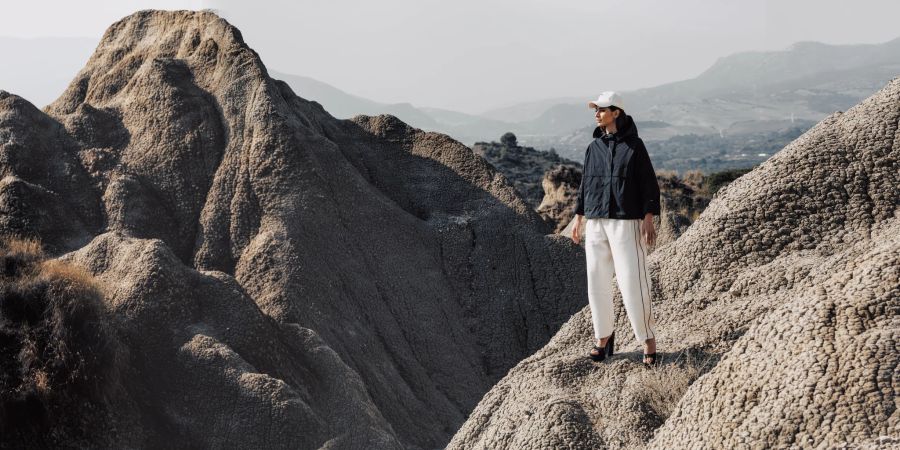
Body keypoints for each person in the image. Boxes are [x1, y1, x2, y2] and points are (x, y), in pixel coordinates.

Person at [571, 91, 661, 367]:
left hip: (626, 221)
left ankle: (648, 341)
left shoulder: (635, 146)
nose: (596, 114)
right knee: (596, 282)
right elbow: (585, 183)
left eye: (601, 109)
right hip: (596, 221)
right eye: (595, 110)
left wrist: (648, 216)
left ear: (616, 112)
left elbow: (648, 181)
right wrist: (578, 217)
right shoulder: (593, 148)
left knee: (632, 281)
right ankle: (603, 337)